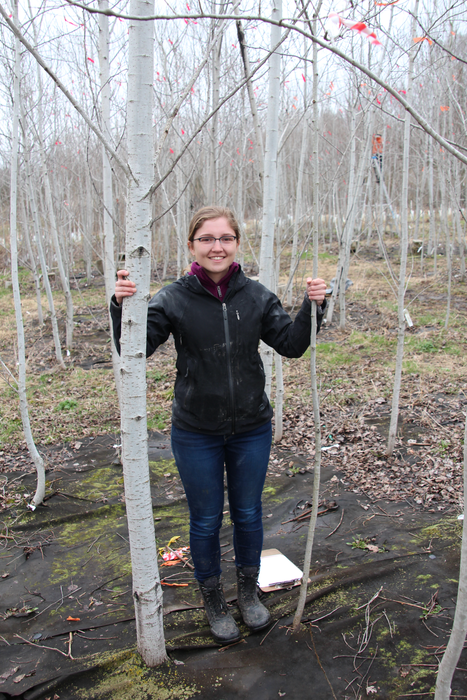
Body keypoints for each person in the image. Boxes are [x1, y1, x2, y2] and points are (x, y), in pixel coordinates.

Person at [111, 206, 327, 644]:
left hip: (251, 427)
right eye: (207, 239)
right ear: (192, 246)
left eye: (225, 238)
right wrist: (121, 307)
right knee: (206, 519)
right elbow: (134, 348)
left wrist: (314, 306)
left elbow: (290, 345)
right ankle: (213, 599)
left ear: (236, 244)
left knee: (248, 514)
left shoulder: (257, 296)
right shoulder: (174, 298)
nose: (217, 246)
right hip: (195, 431)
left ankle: (248, 594)